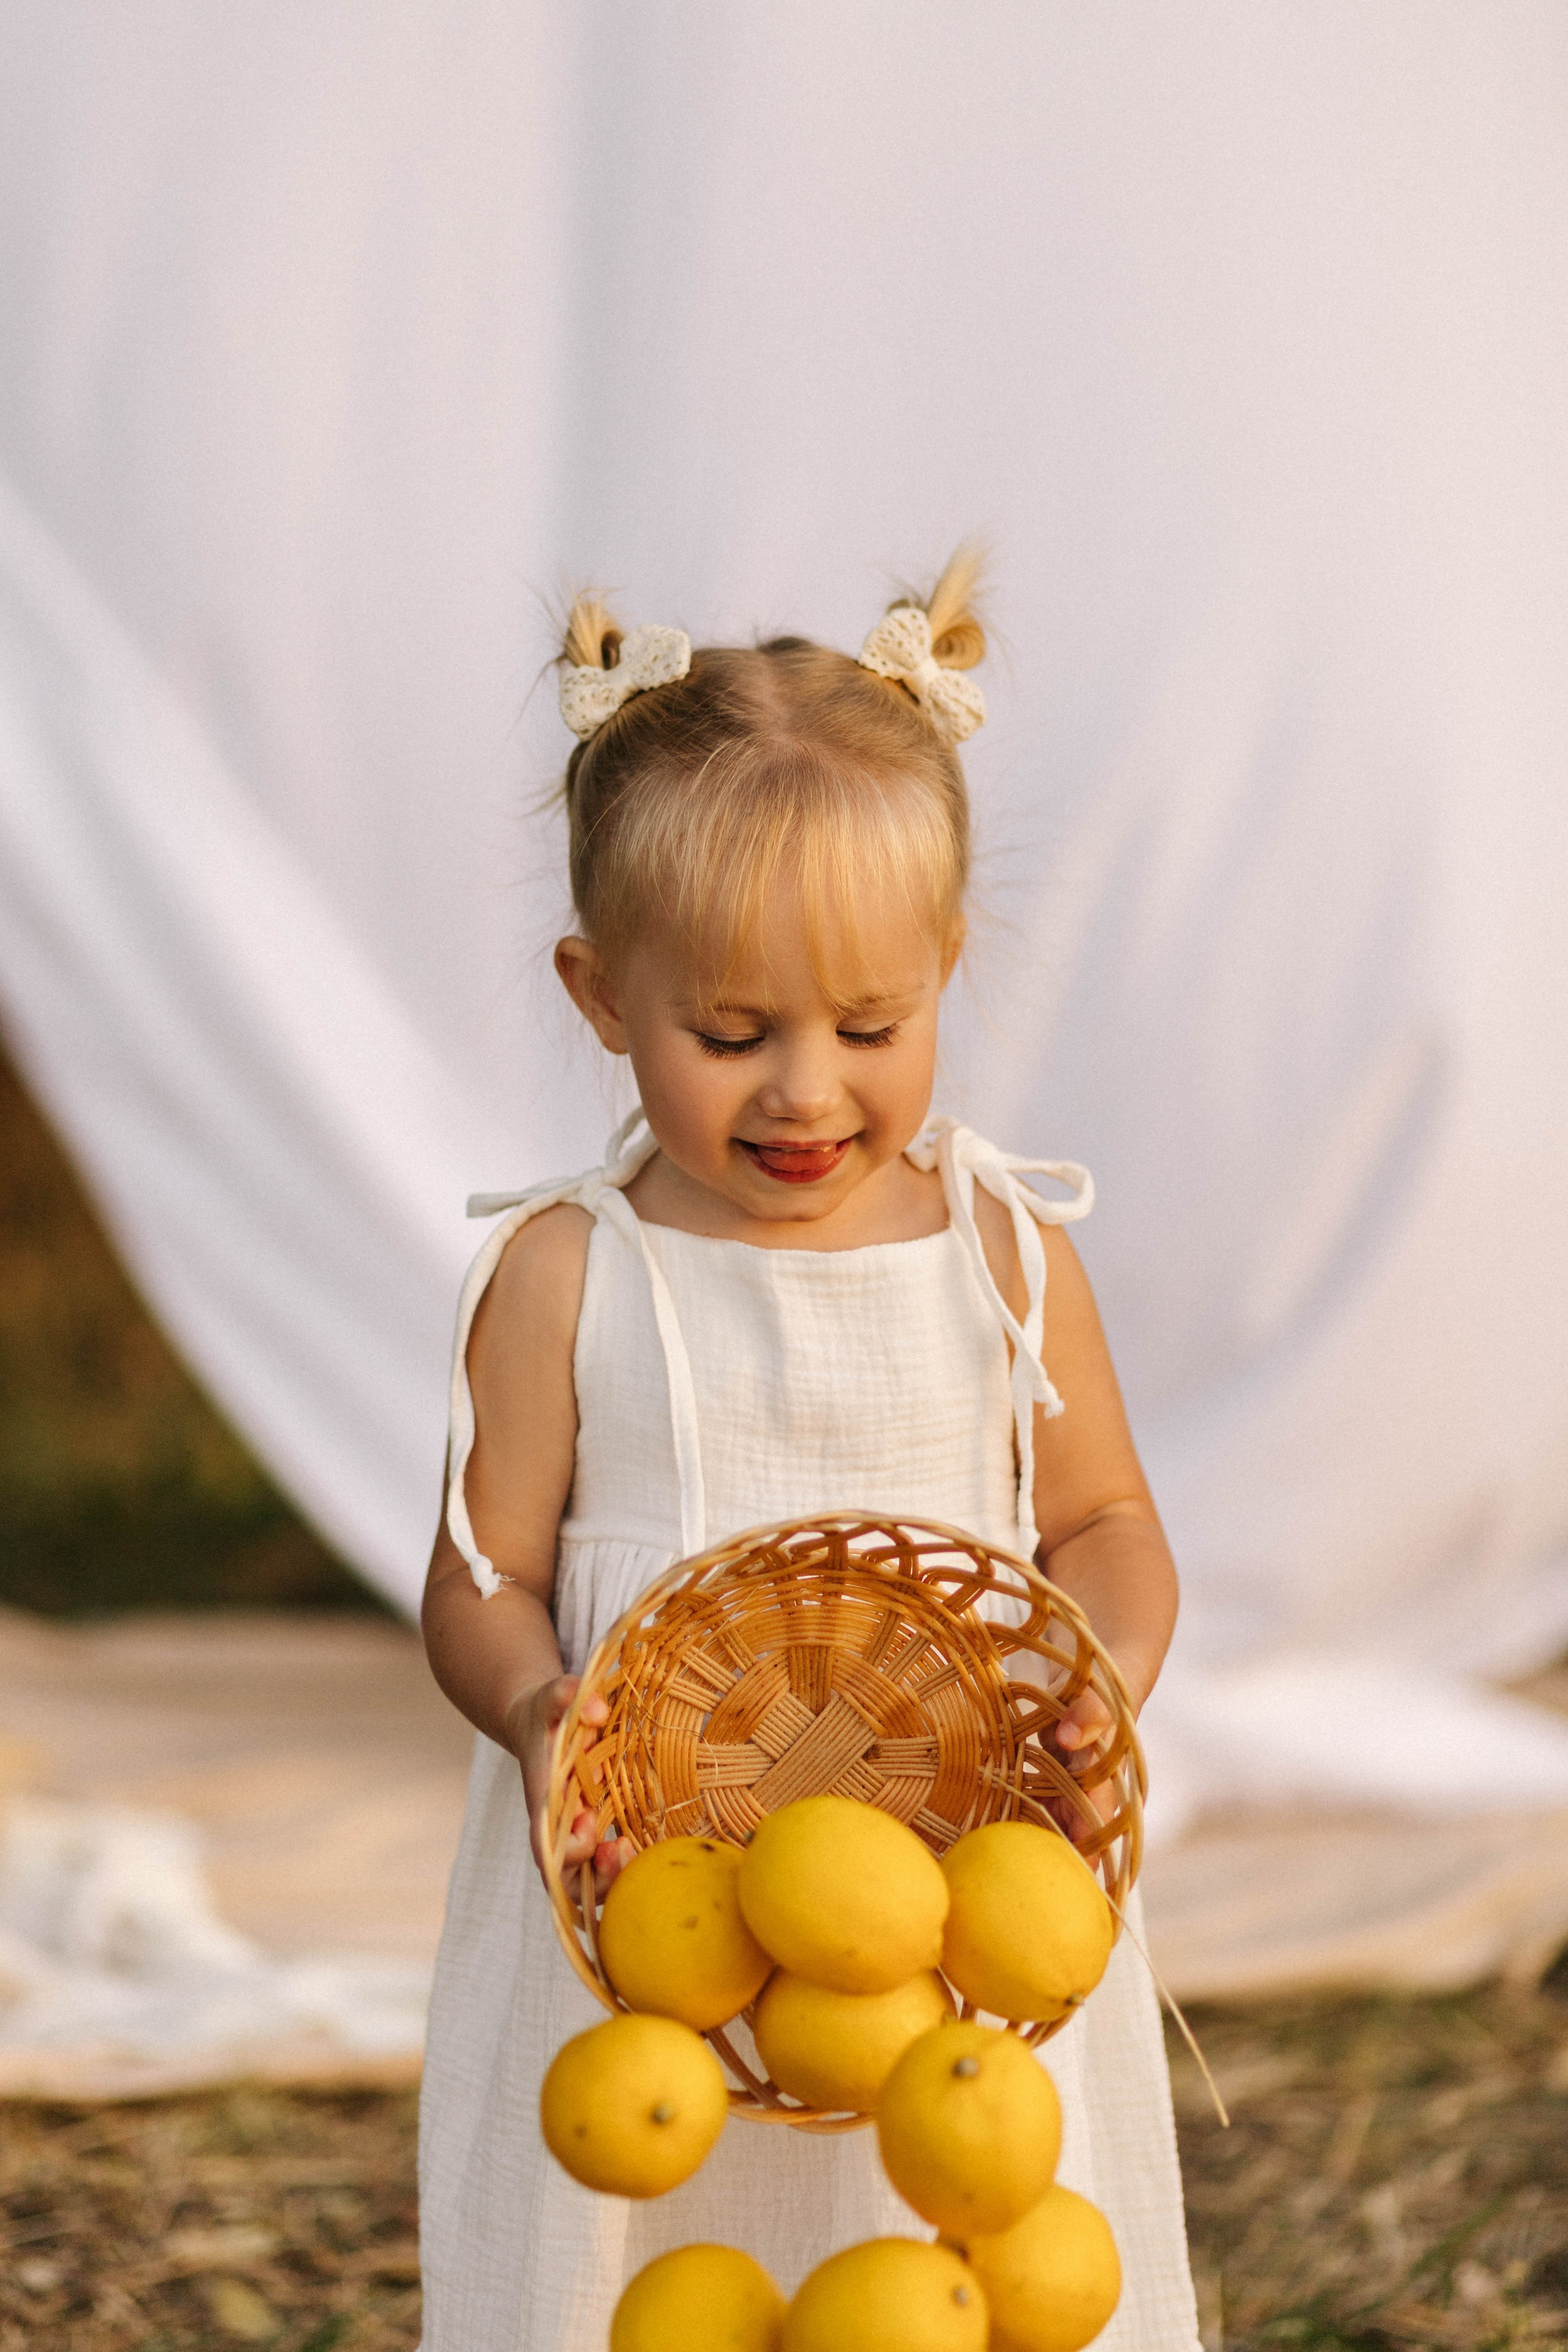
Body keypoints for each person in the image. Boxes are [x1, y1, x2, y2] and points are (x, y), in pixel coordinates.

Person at [417, 554, 1200, 2351]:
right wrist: (542, 1711)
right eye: (729, 1031)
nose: (803, 1092)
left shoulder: (1002, 1253)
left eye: (870, 1029)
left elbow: (1107, 1521)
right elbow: (483, 1576)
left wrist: (1104, 1672)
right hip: (641, 1898)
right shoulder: (567, 1272)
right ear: (600, 995)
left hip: (953, 1880)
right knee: (643, 2257)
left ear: (941, 975)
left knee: (946, 2259)